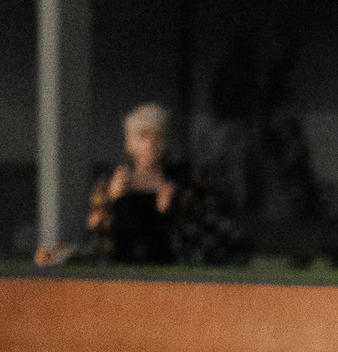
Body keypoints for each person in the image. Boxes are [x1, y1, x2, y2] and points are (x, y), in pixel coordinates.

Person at [43, 102, 243, 267]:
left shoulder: (180, 179)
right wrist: (111, 201)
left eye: (158, 137)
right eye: (143, 137)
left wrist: (172, 207)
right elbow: (97, 234)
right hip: (120, 265)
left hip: (168, 264)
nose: (150, 144)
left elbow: (199, 228)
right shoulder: (113, 181)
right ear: (129, 143)